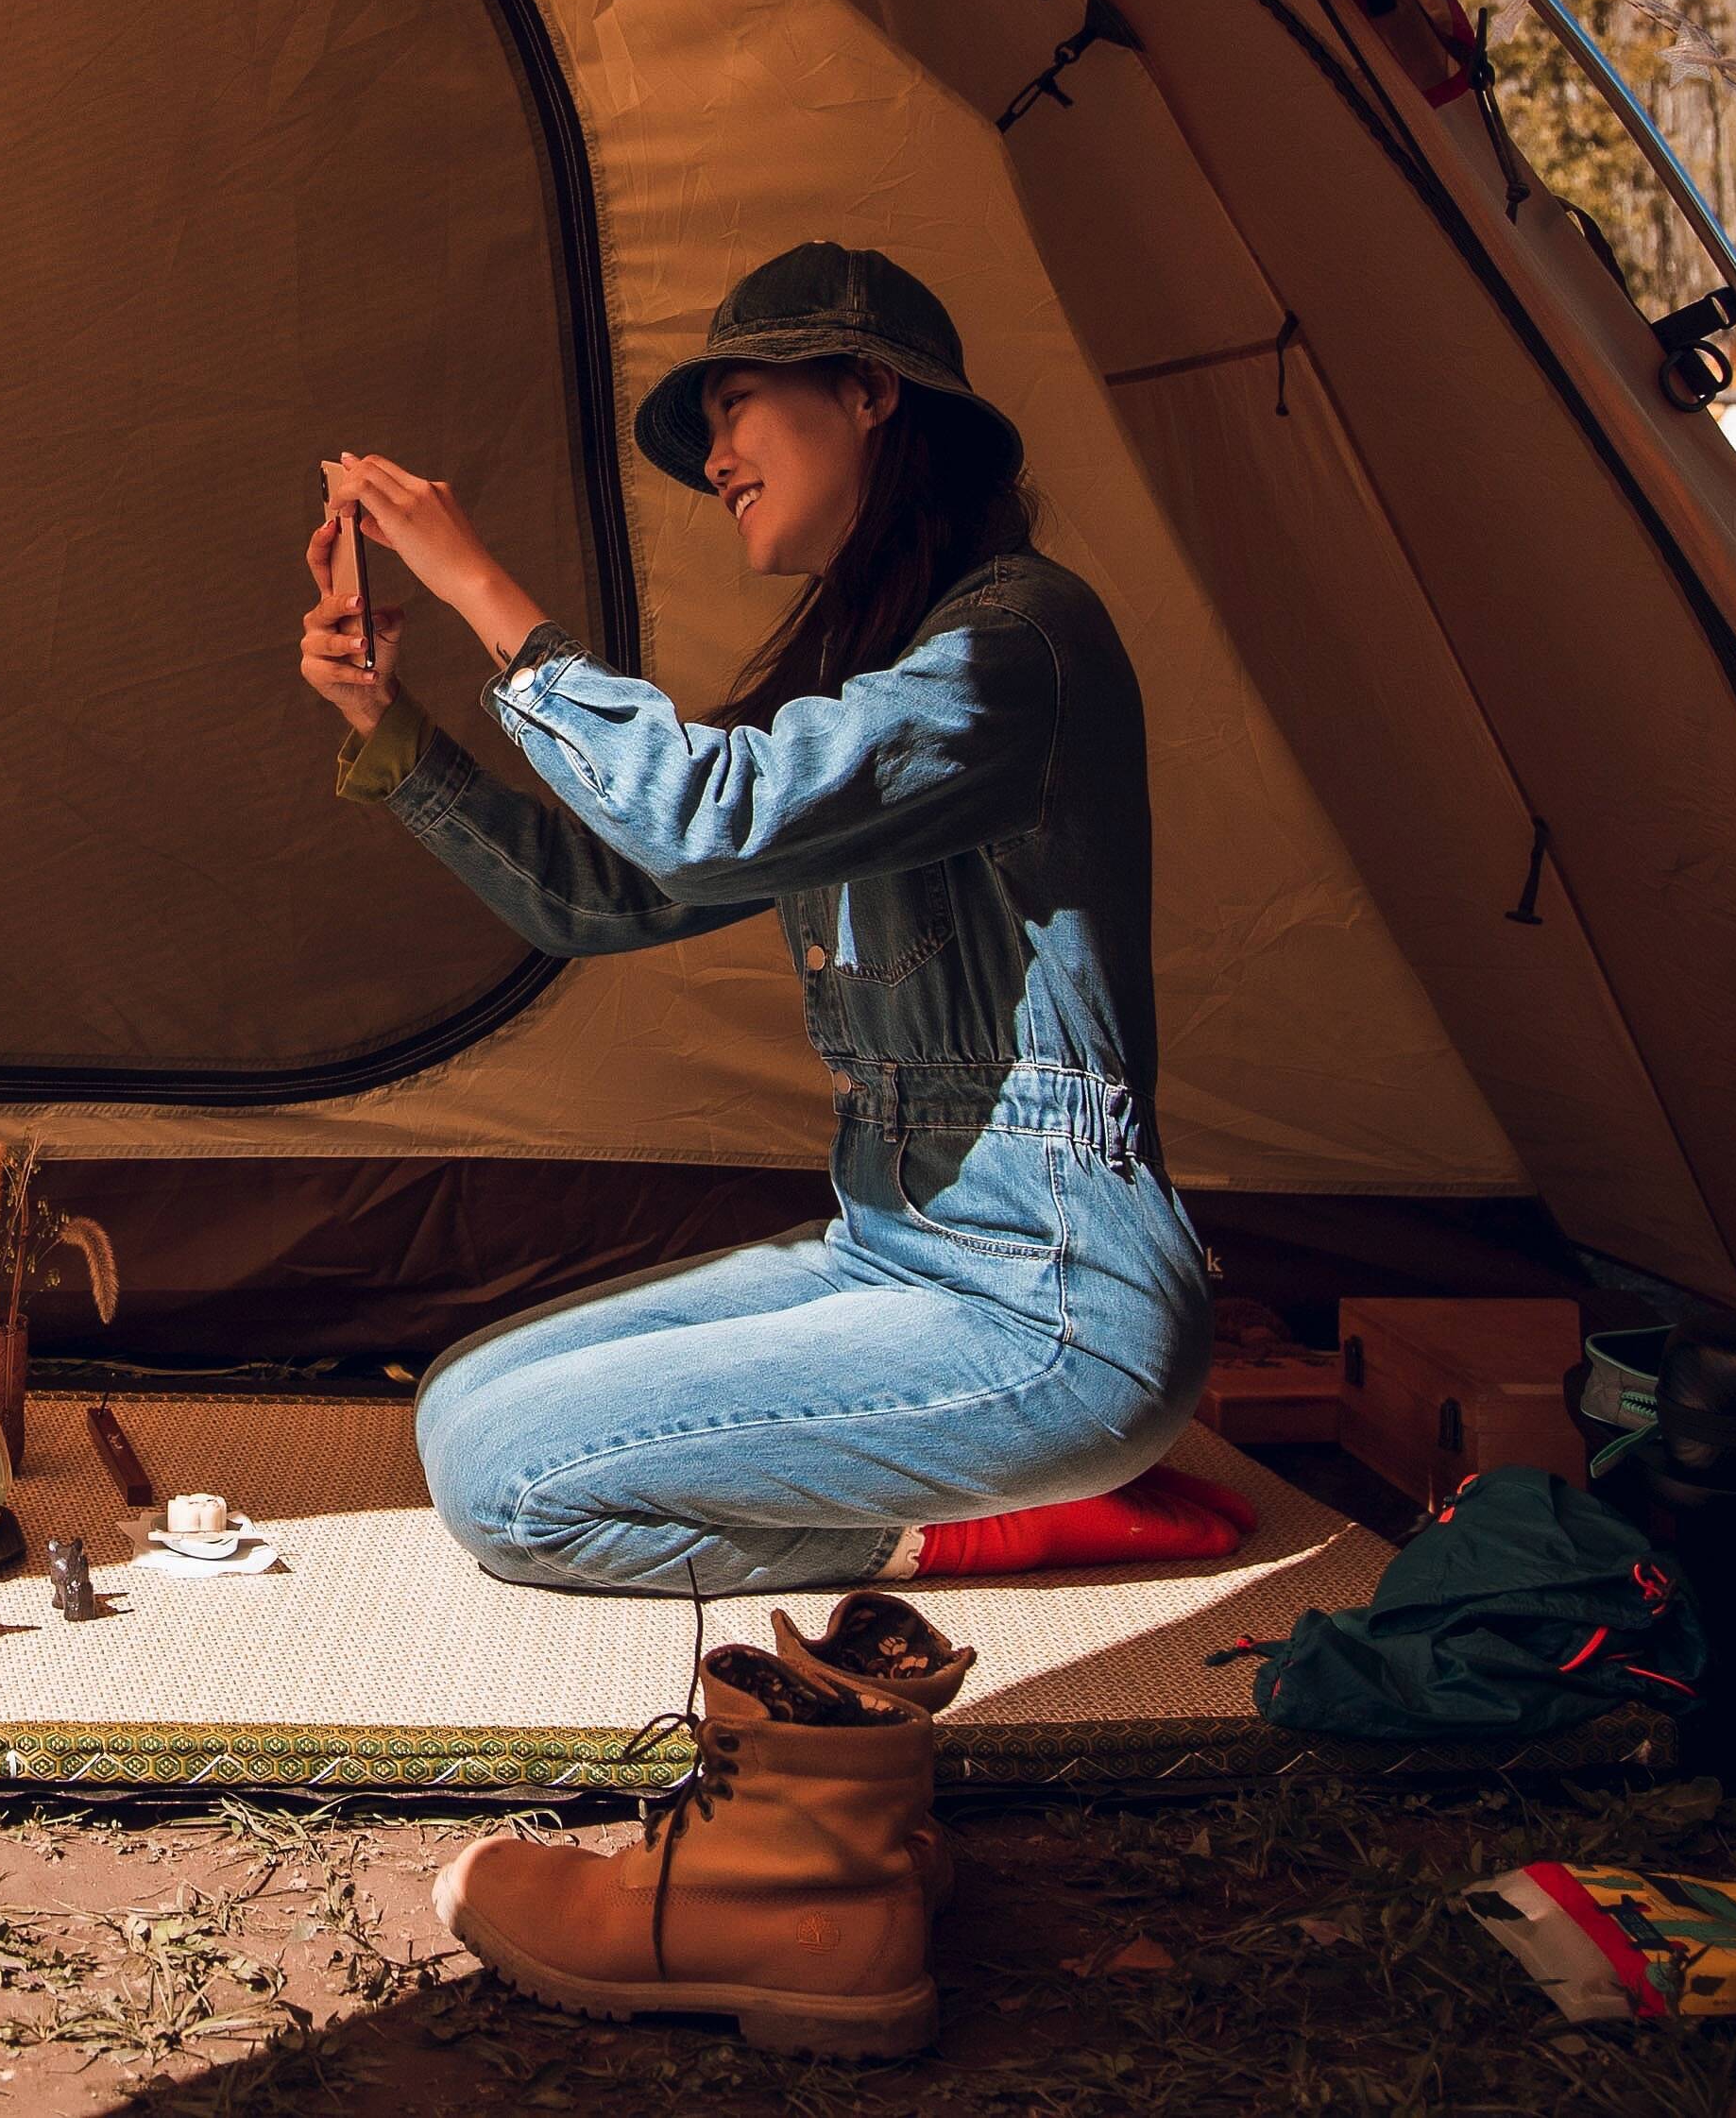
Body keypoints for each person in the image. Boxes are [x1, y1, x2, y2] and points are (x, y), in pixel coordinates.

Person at [306, 242, 1236, 2050]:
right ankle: (942, 1542)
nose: (717, 450)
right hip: (893, 1248)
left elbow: (700, 811)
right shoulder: (879, 679)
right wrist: (390, 738)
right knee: (460, 1410)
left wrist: (483, 585)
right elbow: (619, 884)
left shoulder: (1015, 647)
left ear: (869, 396)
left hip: (1045, 1294)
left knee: (511, 1485)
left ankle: (883, 1691)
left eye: (739, 402)